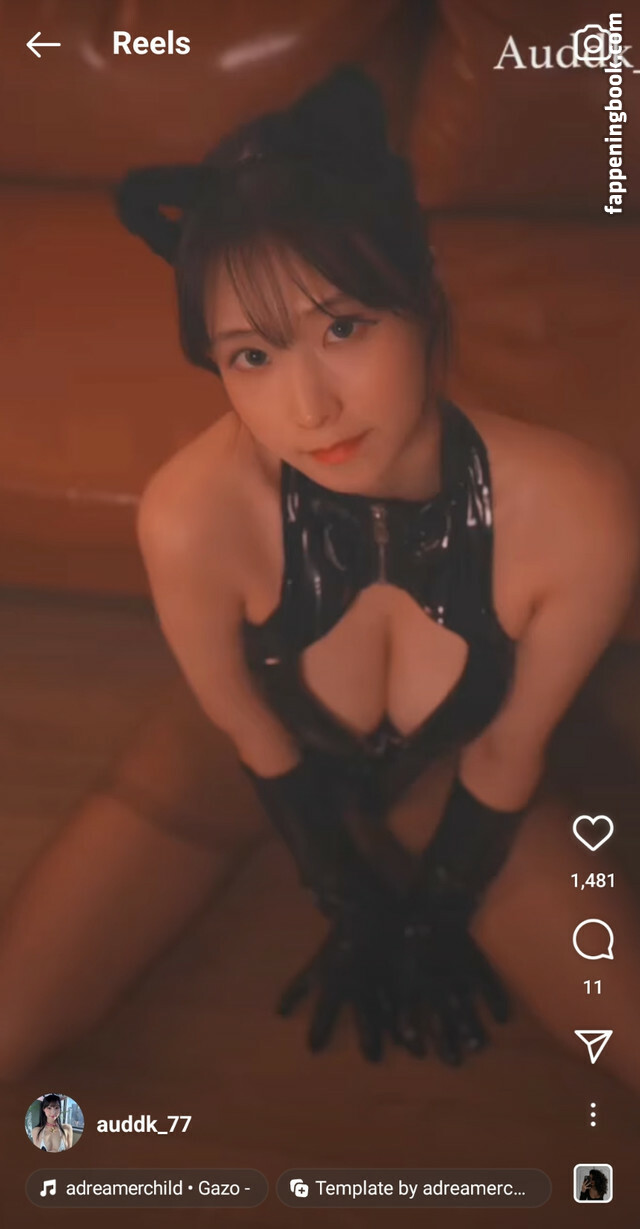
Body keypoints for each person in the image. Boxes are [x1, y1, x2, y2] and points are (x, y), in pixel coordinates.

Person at [0, 64, 639, 1088]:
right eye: (252, 356)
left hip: (457, 769)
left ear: (421, 295)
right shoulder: (192, 513)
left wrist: (434, 909)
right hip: (245, 752)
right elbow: (254, 735)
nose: (309, 409)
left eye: (343, 327)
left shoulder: (577, 511)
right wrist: (346, 892)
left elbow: (506, 749)